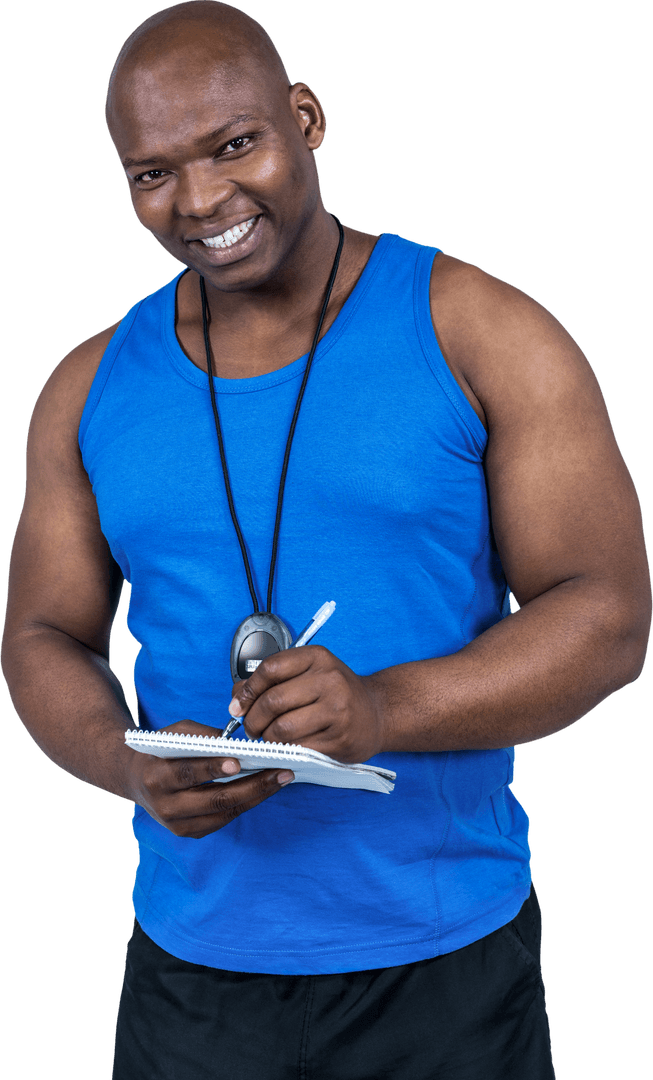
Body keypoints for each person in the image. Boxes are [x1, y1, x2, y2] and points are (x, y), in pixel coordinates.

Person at [2, 1, 650, 1077]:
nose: (201, 200)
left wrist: (384, 706)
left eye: (233, 144)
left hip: (443, 967)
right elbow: (39, 634)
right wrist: (125, 764)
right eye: (151, 172)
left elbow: (608, 617)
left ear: (303, 118)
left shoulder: (481, 330)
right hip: (190, 976)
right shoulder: (86, 386)